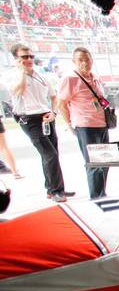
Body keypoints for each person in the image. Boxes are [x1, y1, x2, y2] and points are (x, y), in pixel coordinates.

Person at [5, 43, 72, 201]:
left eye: (31, 56)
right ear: (16, 59)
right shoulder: (12, 76)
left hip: (46, 117)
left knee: (52, 154)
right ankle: (55, 190)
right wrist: (22, 71)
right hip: (29, 119)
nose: (29, 59)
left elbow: (54, 97)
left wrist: (54, 113)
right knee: (50, 154)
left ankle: (53, 188)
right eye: (24, 57)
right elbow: (19, 90)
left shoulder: (41, 76)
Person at [57, 47, 111, 199]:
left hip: (101, 124)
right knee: (93, 163)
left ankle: (102, 193)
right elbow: (62, 104)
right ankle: (97, 197)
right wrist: (70, 124)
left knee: (106, 160)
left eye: (87, 59)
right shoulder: (70, 79)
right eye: (80, 60)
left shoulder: (95, 77)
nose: (85, 63)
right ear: (74, 62)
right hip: (85, 126)